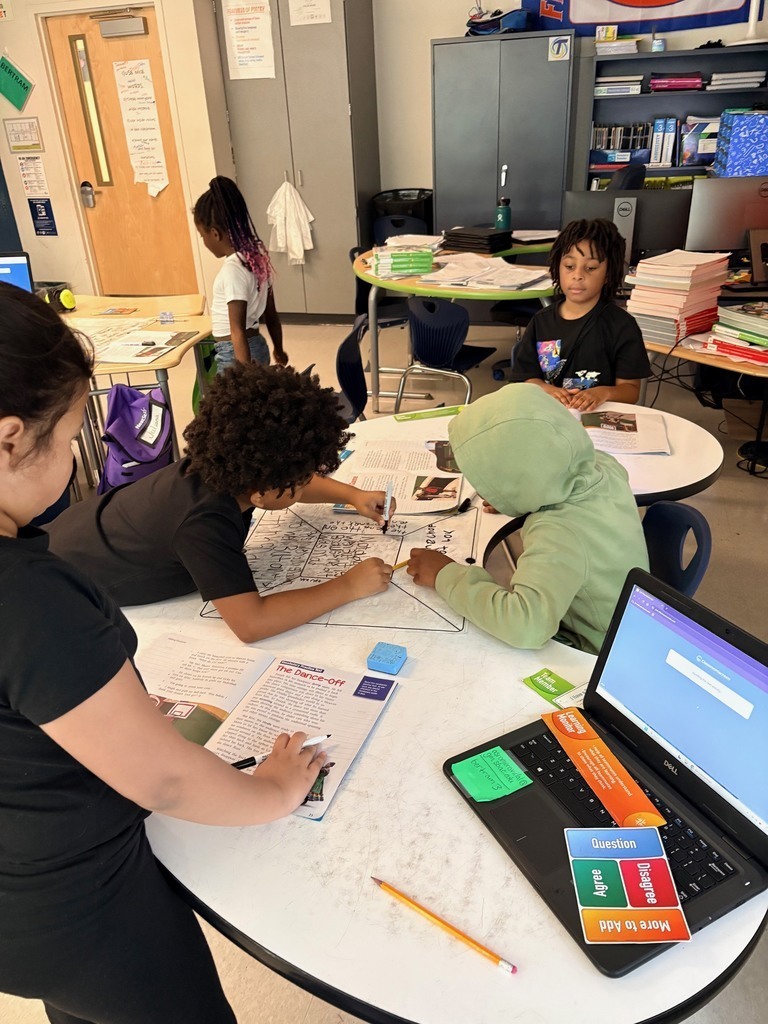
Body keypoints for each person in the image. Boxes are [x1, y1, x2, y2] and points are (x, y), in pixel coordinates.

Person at [0, 282, 328, 1024]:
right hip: (78, 910)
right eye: (74, 429)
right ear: (12, 436)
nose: (79, 451)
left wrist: (94, 713)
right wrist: (273, 790)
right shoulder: (32, 599)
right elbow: (170, 784)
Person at [47, 363, 393, 643]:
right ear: (263, 491)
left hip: (75, 530)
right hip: (62, 586)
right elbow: (252, 624)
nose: (306, 485)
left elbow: (286, 480)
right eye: (299, 481)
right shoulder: (203, 524)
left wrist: (352, 495)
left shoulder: (226, 465)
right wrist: (348, 586)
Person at [406, 384, 649, 655]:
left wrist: (445, 575)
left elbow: (526, 627)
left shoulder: (559, 533)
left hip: (597, 652)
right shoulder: (601, 466)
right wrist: (520, 495)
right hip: (633, 622)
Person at [510, 218, 650, 412]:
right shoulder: (541, 321)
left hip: (599, 419)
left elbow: (631, 390)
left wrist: (603, 393)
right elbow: (525, 378)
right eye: (569, 266)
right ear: (557, 267)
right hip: (548, 416)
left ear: (608, 274)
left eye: (590, 268)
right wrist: (544, 388)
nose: (577, 275)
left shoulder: (622, 326)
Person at [194, 175, 287, 371]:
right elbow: (271, 313)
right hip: (256, 346)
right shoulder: (256, 258)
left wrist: (244, 381)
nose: (204, 242)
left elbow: (237, 331)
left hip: (234, 354)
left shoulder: (233, 270)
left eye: (203, 236)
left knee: (238, 400)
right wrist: (278, 348)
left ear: (215, 234)